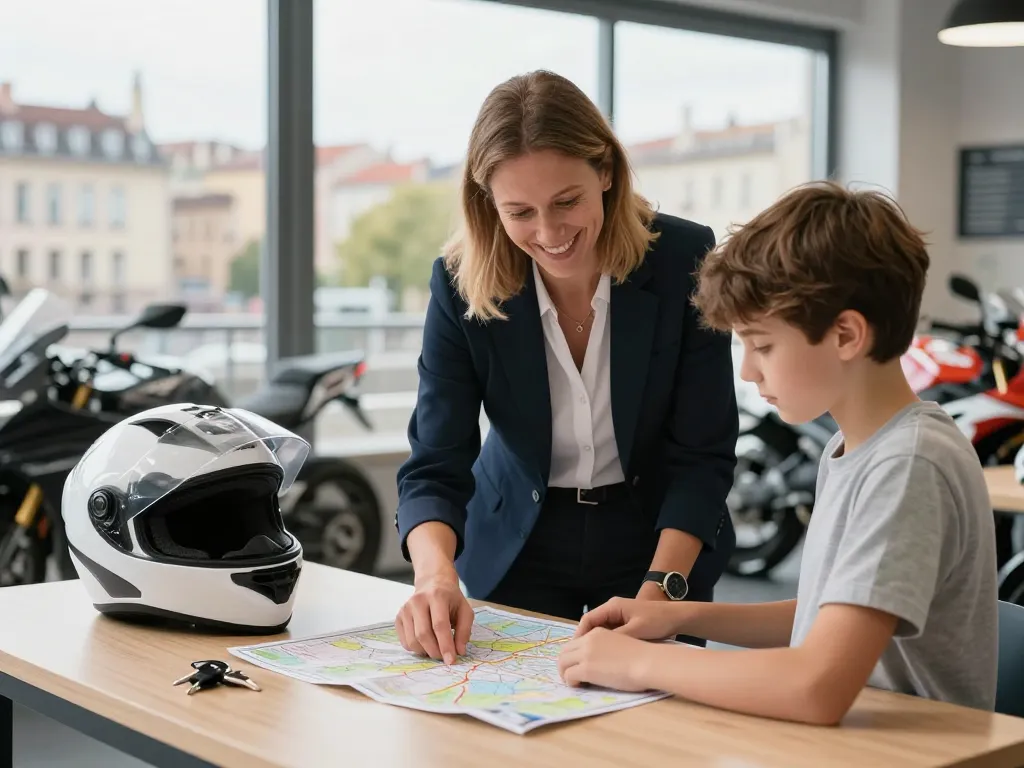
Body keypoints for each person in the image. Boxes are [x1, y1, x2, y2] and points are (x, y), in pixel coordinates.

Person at [557, 180, 1000, 724]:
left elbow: (816, 687)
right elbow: (823, 615)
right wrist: (677, 617)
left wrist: (639, 663)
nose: (747, 370)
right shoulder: (852, 447)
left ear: (846, 335)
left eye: (763, 345)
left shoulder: (908, 464)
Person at [392, 70, 738, 664]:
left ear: (605, 172)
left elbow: (702, 455)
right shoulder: (458, 283)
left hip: (658, 537)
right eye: (520, 211)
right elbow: (435, 464)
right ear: (488, 203)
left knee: (659, 711)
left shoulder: (683, 258)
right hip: (517, 541)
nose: (549, 233)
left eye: (567, 202)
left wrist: (661, 591)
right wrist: (434, 576)